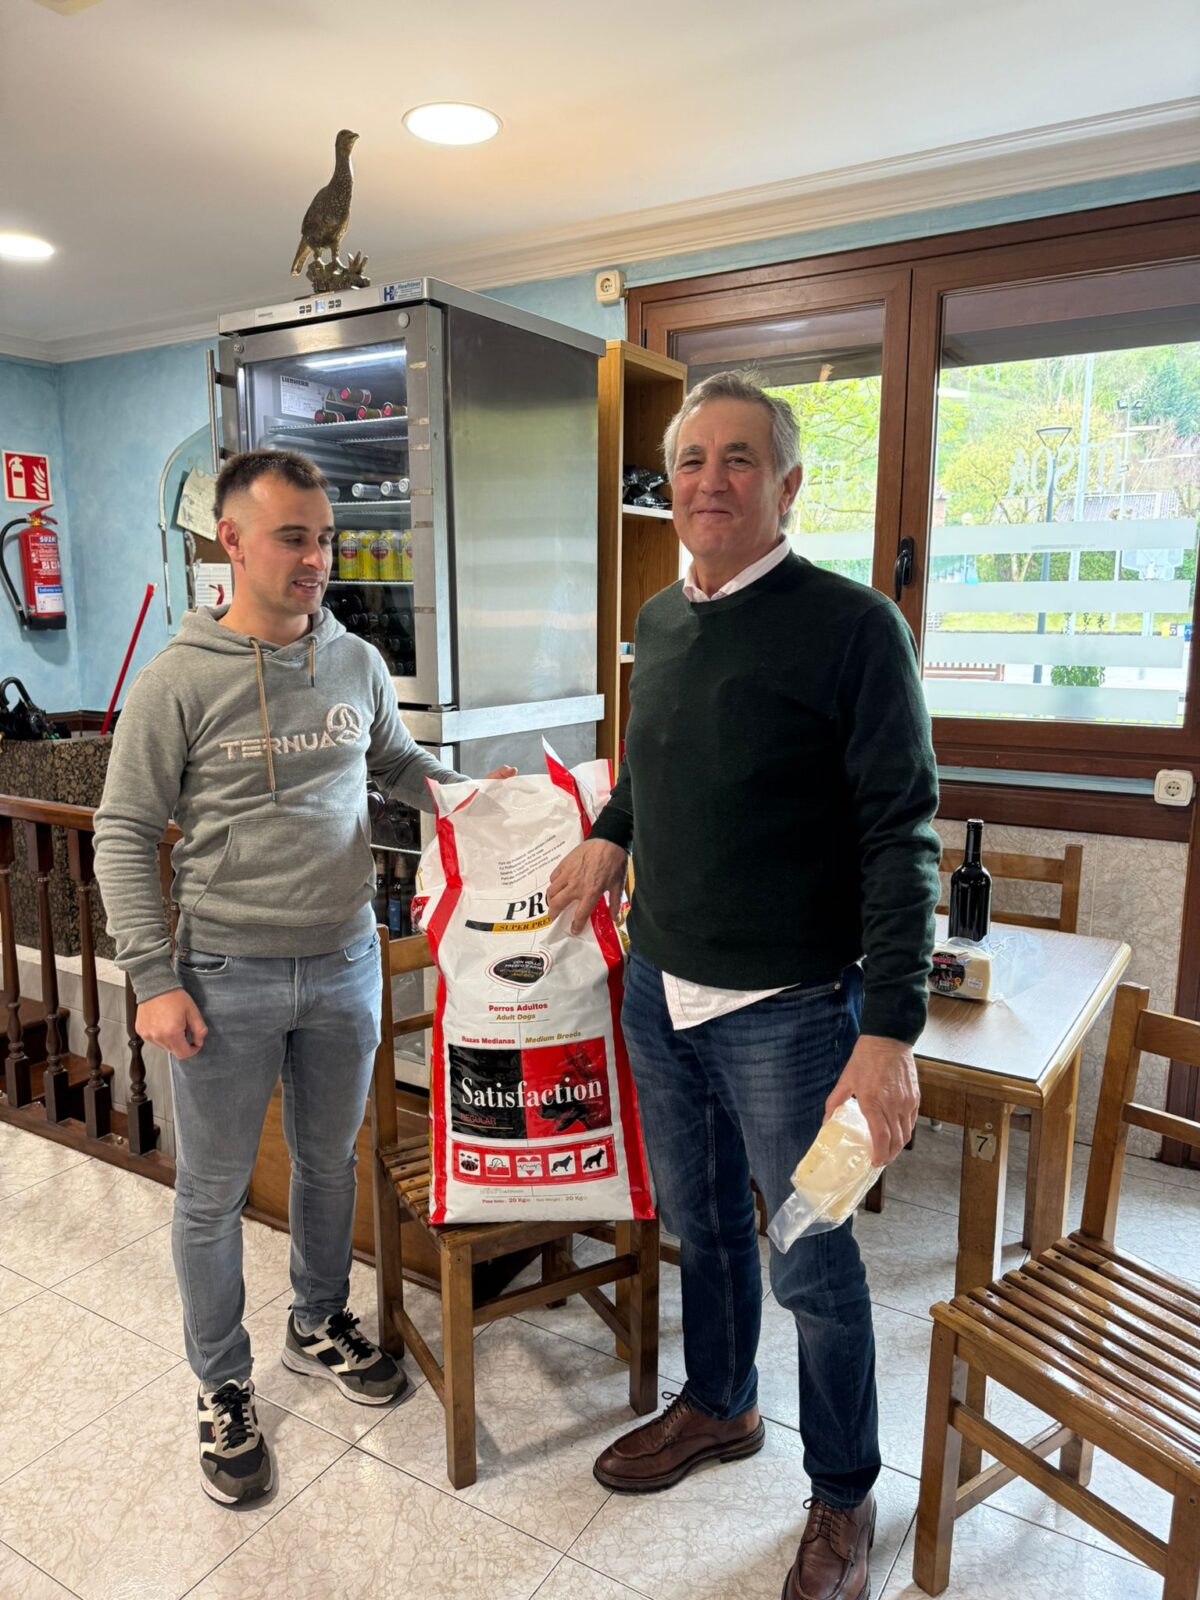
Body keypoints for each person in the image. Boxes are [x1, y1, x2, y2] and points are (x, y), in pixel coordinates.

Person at [547, 372, 939, 1600]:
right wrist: (611, 830)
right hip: (661, 992)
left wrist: (890, 1030)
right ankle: (720, 1402)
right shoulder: (661, 620)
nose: (708, 480)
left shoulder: (854, 627)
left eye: (738, 458)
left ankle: (843, 1491)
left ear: (788, 483)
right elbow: (654, 763)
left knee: (813, 1252)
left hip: (798, 1014)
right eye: (691, 458)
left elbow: (901, 833)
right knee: (703, 1222)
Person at [94, 448, 514, 1506]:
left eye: (324, 538)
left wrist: (476, 800)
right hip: (221, 971)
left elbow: (395, 765)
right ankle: (221, 1382)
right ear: (232, 541)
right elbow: (123, 830)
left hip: (344, 961)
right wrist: (152, 976)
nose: (317, 558)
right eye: (294, 537)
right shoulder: (177, 678)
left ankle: (318, 1320)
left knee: (330, 1163)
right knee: (213, 1192)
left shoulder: (354, 662)